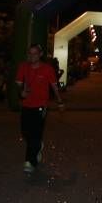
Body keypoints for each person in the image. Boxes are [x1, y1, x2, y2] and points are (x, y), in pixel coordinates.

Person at [15, 44, 64, 174]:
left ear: (40, 54)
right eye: (30, 53)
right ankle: (38, 146)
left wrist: (60, 101)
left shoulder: (47, 69)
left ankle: (30, 162)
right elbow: (19, 84)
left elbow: (54, 86)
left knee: (35, 134)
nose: (32, 56)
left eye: (35, 53)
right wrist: (22, 92)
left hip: (40, 106)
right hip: (26, 105)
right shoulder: (23, 67)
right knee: (25, 133)